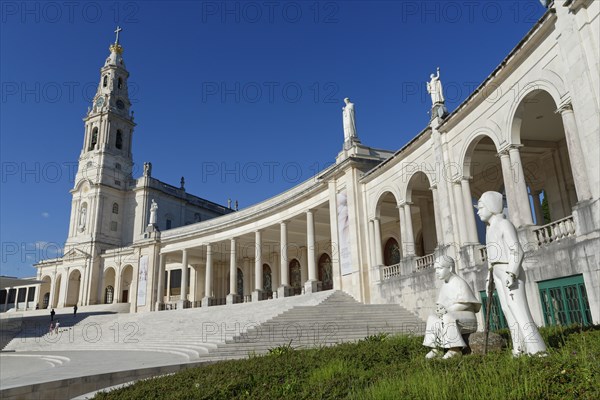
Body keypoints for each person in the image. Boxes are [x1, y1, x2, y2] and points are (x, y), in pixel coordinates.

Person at [476, 191, 547, 356]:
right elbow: (491, 257)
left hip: (508, 270)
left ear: (491, 207)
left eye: (481, 207)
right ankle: (519, 348)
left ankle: (537, 350)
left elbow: (517, 250)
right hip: (497, 272)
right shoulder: (489, 229)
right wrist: (489, 277)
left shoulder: (504, 224)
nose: (478, 211)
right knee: (507, 310)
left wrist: (512, 272)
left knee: (519, 310)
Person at [423, 256, 481, 359]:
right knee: (432, 318)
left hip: (467, 317)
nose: (437, 272)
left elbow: (466, 304)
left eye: (440, 268)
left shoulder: (459, 282)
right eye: (436, 269)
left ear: (450, 268)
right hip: (452, 314)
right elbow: (440, 304)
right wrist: (439, 310)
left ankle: (455, 349)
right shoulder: (445, 284)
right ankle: (436, 348)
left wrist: (447, 311)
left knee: (448, 317)